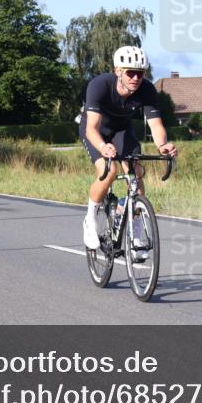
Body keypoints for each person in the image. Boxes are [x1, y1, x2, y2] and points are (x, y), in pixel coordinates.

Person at [80, 46, 177, 251]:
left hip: (121, 130)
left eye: (140, 73)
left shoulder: (147, 89)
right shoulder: (100, 85)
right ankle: (90, 219)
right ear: (118, 71)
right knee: (109, 171)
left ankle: (136, 225)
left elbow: (156, 125)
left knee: (136, 172)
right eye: (130, 72)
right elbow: (91, 128)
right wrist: (102, 146)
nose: (135, 78)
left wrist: (162, 145)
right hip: (96, 131)